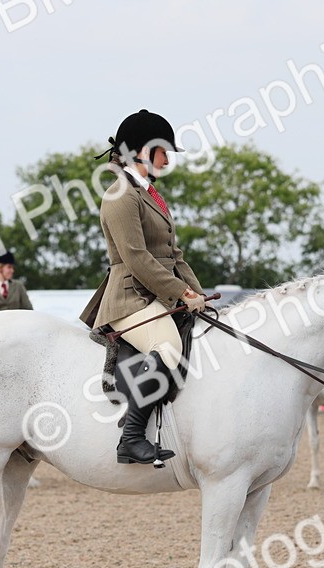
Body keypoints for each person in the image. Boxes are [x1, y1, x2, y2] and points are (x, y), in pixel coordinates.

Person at [80, 109, 207, 466]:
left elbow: (173, 255)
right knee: (168, 347)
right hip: (129, 297)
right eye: (163, 150)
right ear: (141, 150)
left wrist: (199, 295)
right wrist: (181, 294)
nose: (167, 159)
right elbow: (136, 258)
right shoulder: (121, 195)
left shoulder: (148, 193)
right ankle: (132, 437)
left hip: (154, 292)